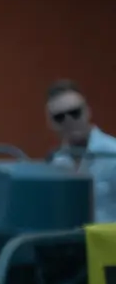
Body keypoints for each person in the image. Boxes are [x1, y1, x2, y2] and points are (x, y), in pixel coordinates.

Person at [47, 80, 116, 224]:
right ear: (51, 124)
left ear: (87, 112)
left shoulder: (112, 154)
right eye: (59, 117)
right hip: (70, 242)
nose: (69, 121)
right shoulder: (55, 162)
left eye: (75, 112)